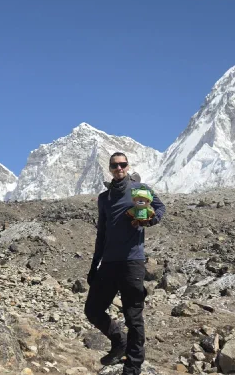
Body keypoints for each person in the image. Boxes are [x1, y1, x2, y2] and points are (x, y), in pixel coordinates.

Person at [84, 152, 166, 375]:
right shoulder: (104, 198)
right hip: (109, 263)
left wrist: (151, 219)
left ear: (128, 167)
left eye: (123, 164)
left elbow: (160, 208)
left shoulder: (140, 189)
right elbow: (102, 233)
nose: (119, 168)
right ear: (110, 169)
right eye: (115, 165)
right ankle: (119, 341)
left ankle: (133, 365)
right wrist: (94, 265)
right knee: (92, 310)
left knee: (133, 315)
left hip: (132, 262)